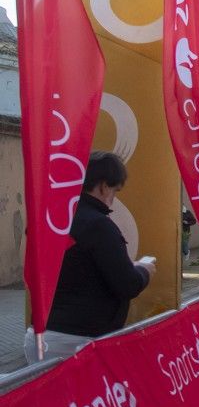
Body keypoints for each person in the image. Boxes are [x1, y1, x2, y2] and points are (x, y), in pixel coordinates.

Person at [24, 152, 154, 364]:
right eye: (115, 190)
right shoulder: (98, 225)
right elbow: (127, 284)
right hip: (78, 342)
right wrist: (143, 271)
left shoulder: (49, 218)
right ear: (103, 186)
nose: (113, 199)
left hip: (40, 334)